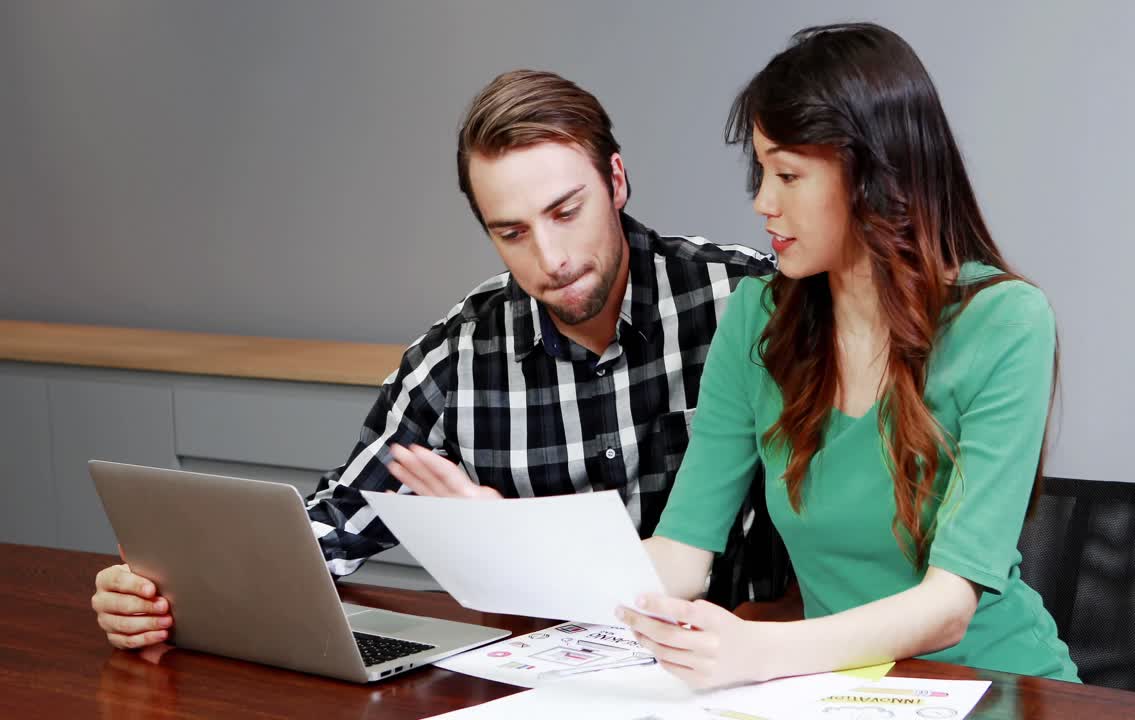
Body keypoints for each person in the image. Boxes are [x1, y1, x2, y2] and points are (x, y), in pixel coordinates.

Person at [91, 69, 792, 651]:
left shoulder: (747, 302)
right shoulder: (460, 352)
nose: (550, 260)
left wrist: (509, 540)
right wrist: (170, 588)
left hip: (741, 661)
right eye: (511, 232)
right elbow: (339, 517)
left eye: (566, 211)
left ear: (615, 181)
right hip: (543, 678)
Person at [616, 23, 1080, 688]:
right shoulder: (757, 321)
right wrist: (520, 556)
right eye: (762, 172)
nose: (762, 202)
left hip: (997, 686)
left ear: (873, 175)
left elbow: (949, 607)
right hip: (845, 690)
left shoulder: (1005, 322)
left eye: (788, 174)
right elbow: (682, 554)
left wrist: (761, 651)